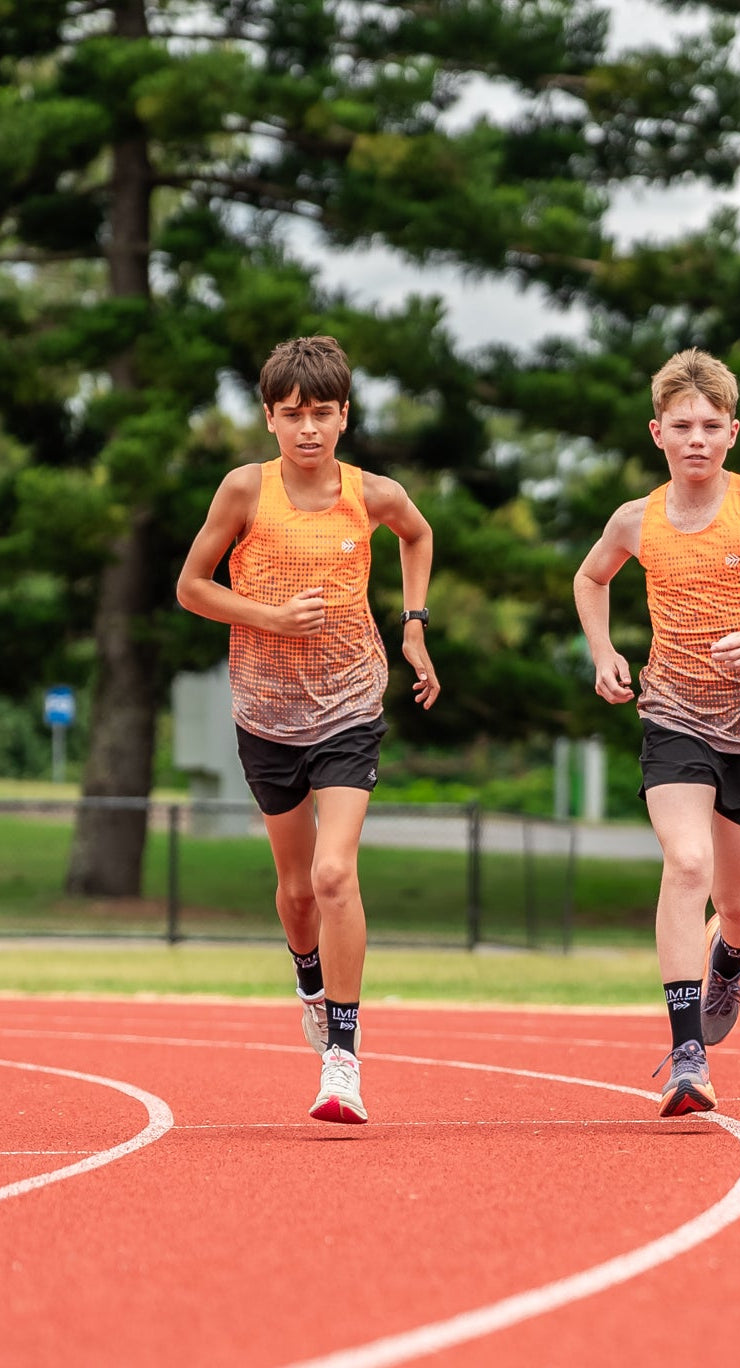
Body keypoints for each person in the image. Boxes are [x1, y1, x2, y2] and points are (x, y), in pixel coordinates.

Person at [574, 348, 740, 1118]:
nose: (696, 438)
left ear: (733, 432)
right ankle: (687, 1053)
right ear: (657, 432)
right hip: (672, 717)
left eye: (710, 426)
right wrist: (604, 651)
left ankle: (730, 958)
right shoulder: (636, 519)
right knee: (685, 863)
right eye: (682, 426)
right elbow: (590, 577)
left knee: (739, 900)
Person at [177, 335, 439, 1125]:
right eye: (293, 415)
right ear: (269, 419)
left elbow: (419, 536)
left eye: (323, 413)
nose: (309, 430)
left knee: (333, 875)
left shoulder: (375, 496)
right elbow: (191, 587)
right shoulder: (243, 493)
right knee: (295, 893)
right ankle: (308, 981)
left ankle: (344, 1058)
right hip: (265, 712)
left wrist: (415, 624)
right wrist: (270, 618)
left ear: (345, 416)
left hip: (351, 706)